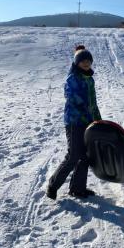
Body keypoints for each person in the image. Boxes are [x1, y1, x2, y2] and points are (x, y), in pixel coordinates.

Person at [46, 47, 101, 200]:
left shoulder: (90, 79)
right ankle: (53, 184)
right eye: (83, 61)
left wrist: (98, 119)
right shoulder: (73, 78)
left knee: (85, 156)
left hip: (88, 122)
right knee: (73, 155)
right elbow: (71, 97)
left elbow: (93, 102)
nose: (86, 63)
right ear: (77, 63)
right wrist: (84, 113)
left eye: (88, 61)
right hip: (74, 122)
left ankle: (77, 189)